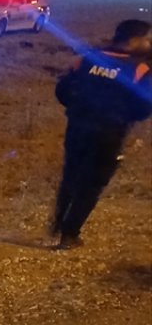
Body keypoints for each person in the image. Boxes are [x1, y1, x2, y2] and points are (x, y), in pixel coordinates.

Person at [50, 19, 152, 249]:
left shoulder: (87, 59)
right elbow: (144, 107)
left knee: (71, 175)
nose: (149, 43)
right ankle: (69, 234)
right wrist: (124, 117)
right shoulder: (139, 70)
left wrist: (76, 110)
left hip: (77, 127)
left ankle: (57, 223)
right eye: (147, 39)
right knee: (93, 184)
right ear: (134, 40)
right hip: (109, 134)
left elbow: (62, 90)